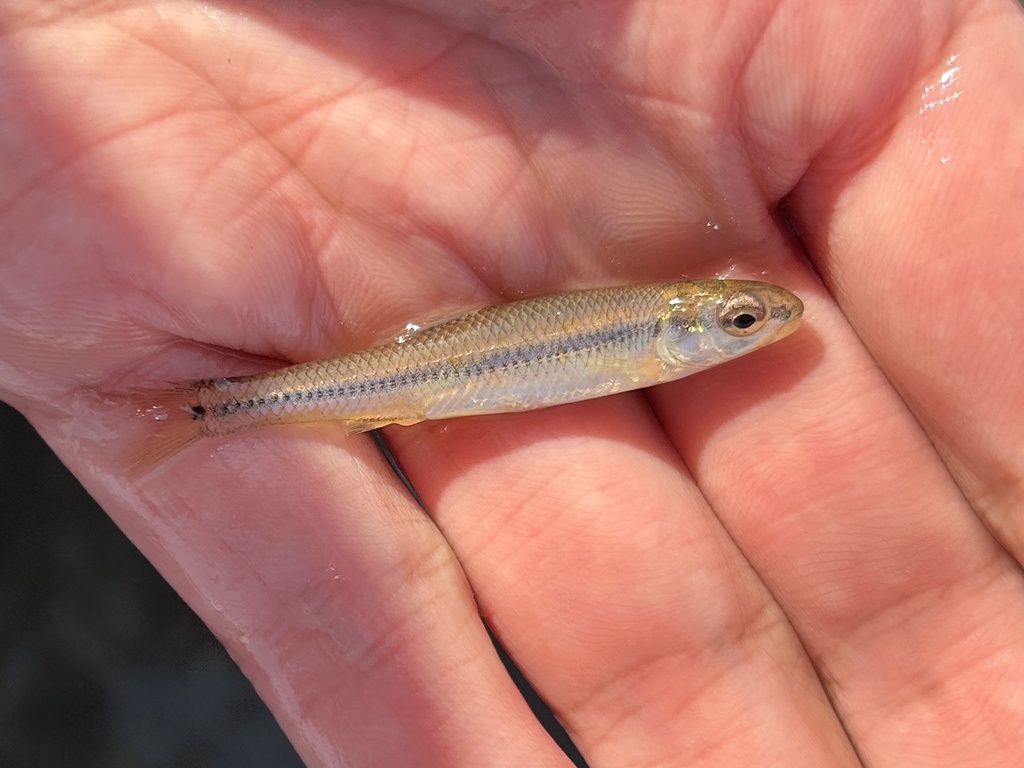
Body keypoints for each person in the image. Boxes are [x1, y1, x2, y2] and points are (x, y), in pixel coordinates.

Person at [2, 0, 1022, 764]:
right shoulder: (641, 331)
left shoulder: (647, 324)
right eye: (741, 324)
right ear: (679, 330)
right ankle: (214, 410)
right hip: (416, 373)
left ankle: (217, 412)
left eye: (741, 324)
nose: (753, 333)